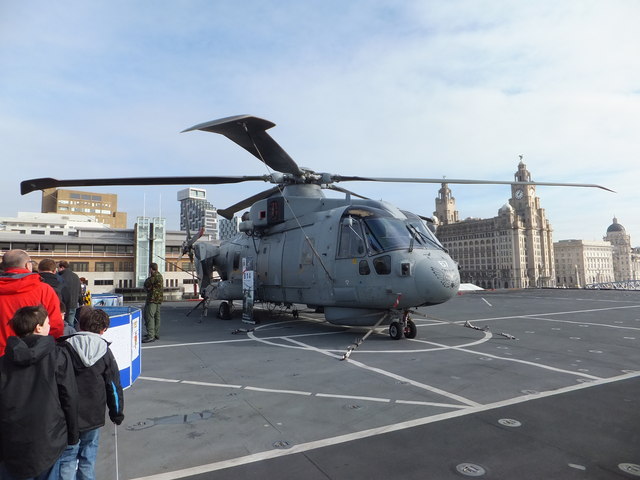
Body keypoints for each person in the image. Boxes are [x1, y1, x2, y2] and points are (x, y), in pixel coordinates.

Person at [0, 305, 79, 480]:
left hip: (12, 442)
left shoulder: (4, 362)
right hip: (49, 440)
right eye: (48, 323)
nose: (50, 326)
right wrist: (73, 436)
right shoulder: (58, 355)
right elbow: (69, 397)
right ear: (38, 327)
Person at [58, 307, 124, 480]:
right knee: (88, 457)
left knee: (67, 458)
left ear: (80, 325)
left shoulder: (64, 347)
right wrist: (116, 412)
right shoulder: (104, 351)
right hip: (93, 414)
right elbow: (113, 385)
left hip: (67, 414)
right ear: (104, 330)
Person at [0, 249, 64, 356]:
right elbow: (55, 325)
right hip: (34, 355)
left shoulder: (43, 289)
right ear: (27, 265)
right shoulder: (44, 290)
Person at [143, 262, 163, 343]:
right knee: (156, 317)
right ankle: (155, 333)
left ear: (151, 269)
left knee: (149, 316)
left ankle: (151, 335)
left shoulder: (154, 277)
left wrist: (147, 286)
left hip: (152, 299)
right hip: (158, 300)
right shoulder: (159, 275)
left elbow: (146, 283)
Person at [58, 260, 82, 328]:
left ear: (62, 267)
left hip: (63, 305)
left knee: (62, 324)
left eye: (58, 268)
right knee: (70, 324)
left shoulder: (60, 277)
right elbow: (79, 291)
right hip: (73, 304)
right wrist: (80, 302)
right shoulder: (76, 276)